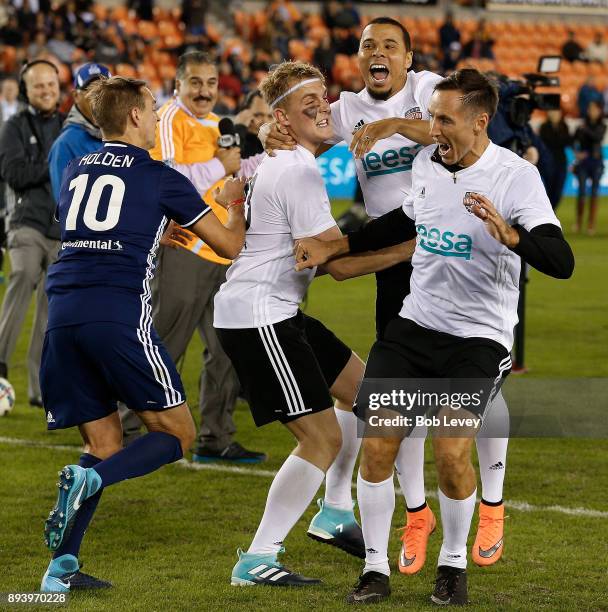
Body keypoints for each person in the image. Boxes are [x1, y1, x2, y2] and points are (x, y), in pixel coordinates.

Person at [294, 68, 574, 605]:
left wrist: (511, 235)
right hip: (413, 326)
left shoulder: (514, 177)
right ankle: (375, 569)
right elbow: (402, 223)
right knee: (377, 446)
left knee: (450, 454)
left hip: (479, 339)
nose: (433, 129)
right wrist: (337, 247)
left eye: (444, 120)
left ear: (479, 121)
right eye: (433, 117)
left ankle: (452, 563)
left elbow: (561, 260)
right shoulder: (427, 163)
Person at [261, 17, 512, 576]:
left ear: (408, 57)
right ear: (357, 57)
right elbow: (299, 125)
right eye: (368, 45)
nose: (378, 53)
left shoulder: (426, 90)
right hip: (392, 253)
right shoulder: (347, 108)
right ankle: (416, 510)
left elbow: (453, 131)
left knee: (474, 371)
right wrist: (267, 133)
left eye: (389, 46)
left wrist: (395, 123)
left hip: (453, 242)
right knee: (399, 391)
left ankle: (491, 501)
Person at [39, 76, 246, 593]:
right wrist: (235, 200)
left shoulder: (74, 167)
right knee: (177, 435)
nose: (156, 120)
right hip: (117, 313)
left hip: (62, 313)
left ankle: (59, 572)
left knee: (105, 442)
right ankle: (91, 481)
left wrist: (156, 227)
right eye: (152, 111)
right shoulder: (161, 175)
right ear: (134, 116)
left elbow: (91, 227)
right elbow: (228, 247)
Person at [215, 61, 414, 587]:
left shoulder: (284, 160)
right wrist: (415, 249)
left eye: (325, 98)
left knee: (365, 392)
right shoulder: (297, 170)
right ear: (282, 118)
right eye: (310, 104)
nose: (324, 107)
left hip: (278, 310)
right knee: (321, 439)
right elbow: (339, 266)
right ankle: (257, 558)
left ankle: (333, 511)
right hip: (258, 315)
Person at [145, 51, 266, 462]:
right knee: (165, 343)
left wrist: (267, 151)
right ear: (177, 84)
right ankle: (131, 430)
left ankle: (215, 437)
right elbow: (165, 178)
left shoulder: (220, 126)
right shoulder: (166, 120)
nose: (204, 91)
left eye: (211, 83)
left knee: (227, 348)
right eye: (195, 82)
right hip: (184, 247)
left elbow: (235, 174)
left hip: (224, 251)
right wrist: (220, 164)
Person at [0, 60, 64, 406]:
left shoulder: (69, 125)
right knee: (22, 273)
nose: (46, 91)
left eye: (51, 85)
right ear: (26, 90)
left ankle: (40, 385)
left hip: (60, 228)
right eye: (39, 86)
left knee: (51, 303)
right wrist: (55, 163)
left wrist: (44, 164)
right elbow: (14, 173)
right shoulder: (14, 125)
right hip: (26, 222)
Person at [48, 63, 112, 202]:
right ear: (76, 96)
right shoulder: (65, 144)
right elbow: (65, 206)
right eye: (91, 90)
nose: (99, 96)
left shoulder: (125, 135)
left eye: (104, 89)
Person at [573, 100, 606, 235]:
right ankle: (579, 222)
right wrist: (576, 153)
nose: (591, 111)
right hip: (583, 163)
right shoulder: (581, 126)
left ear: (599, 111)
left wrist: (584, 128)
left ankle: (591, 223)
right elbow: (573, 140)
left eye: (594, 109)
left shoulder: (601, 126)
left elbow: (597, 137)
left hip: (596, 162)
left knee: (594, 193)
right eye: (590, 109)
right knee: (581, 193)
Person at [539, 109, 572, 210]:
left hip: (561, 162)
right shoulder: (544, 127)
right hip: (548, 163)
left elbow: (567, 141)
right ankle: (548, 214)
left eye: (557, 112)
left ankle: (551, 212)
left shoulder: (564, 126)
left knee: (558, 191)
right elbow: (547, 142)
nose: (555, 115)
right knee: (549, 190)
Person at [234, 89, 273, 158]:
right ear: (244, 114)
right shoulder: (236, 140)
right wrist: (240, 127)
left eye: (270, 116)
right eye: (258, 115)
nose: (265, 122)